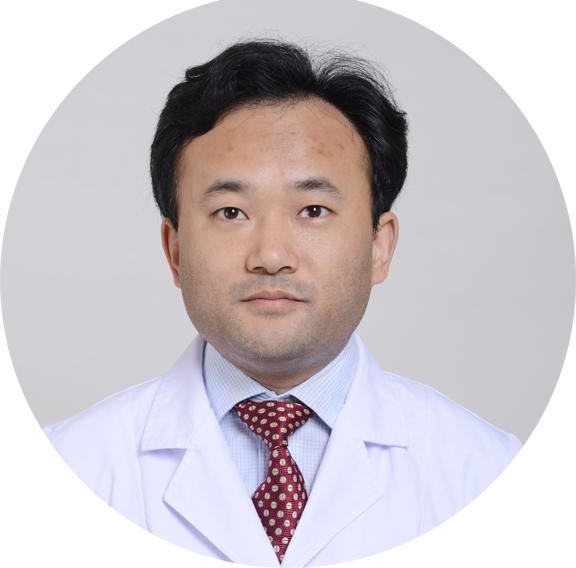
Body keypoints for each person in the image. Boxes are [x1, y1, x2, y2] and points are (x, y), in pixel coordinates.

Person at [44, 40, 522, 567]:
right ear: (175, 251)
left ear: (379, 246)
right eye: (231, 212)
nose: (271, 256)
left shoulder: (491, 473)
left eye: (313, 210)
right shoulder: (65, 470)